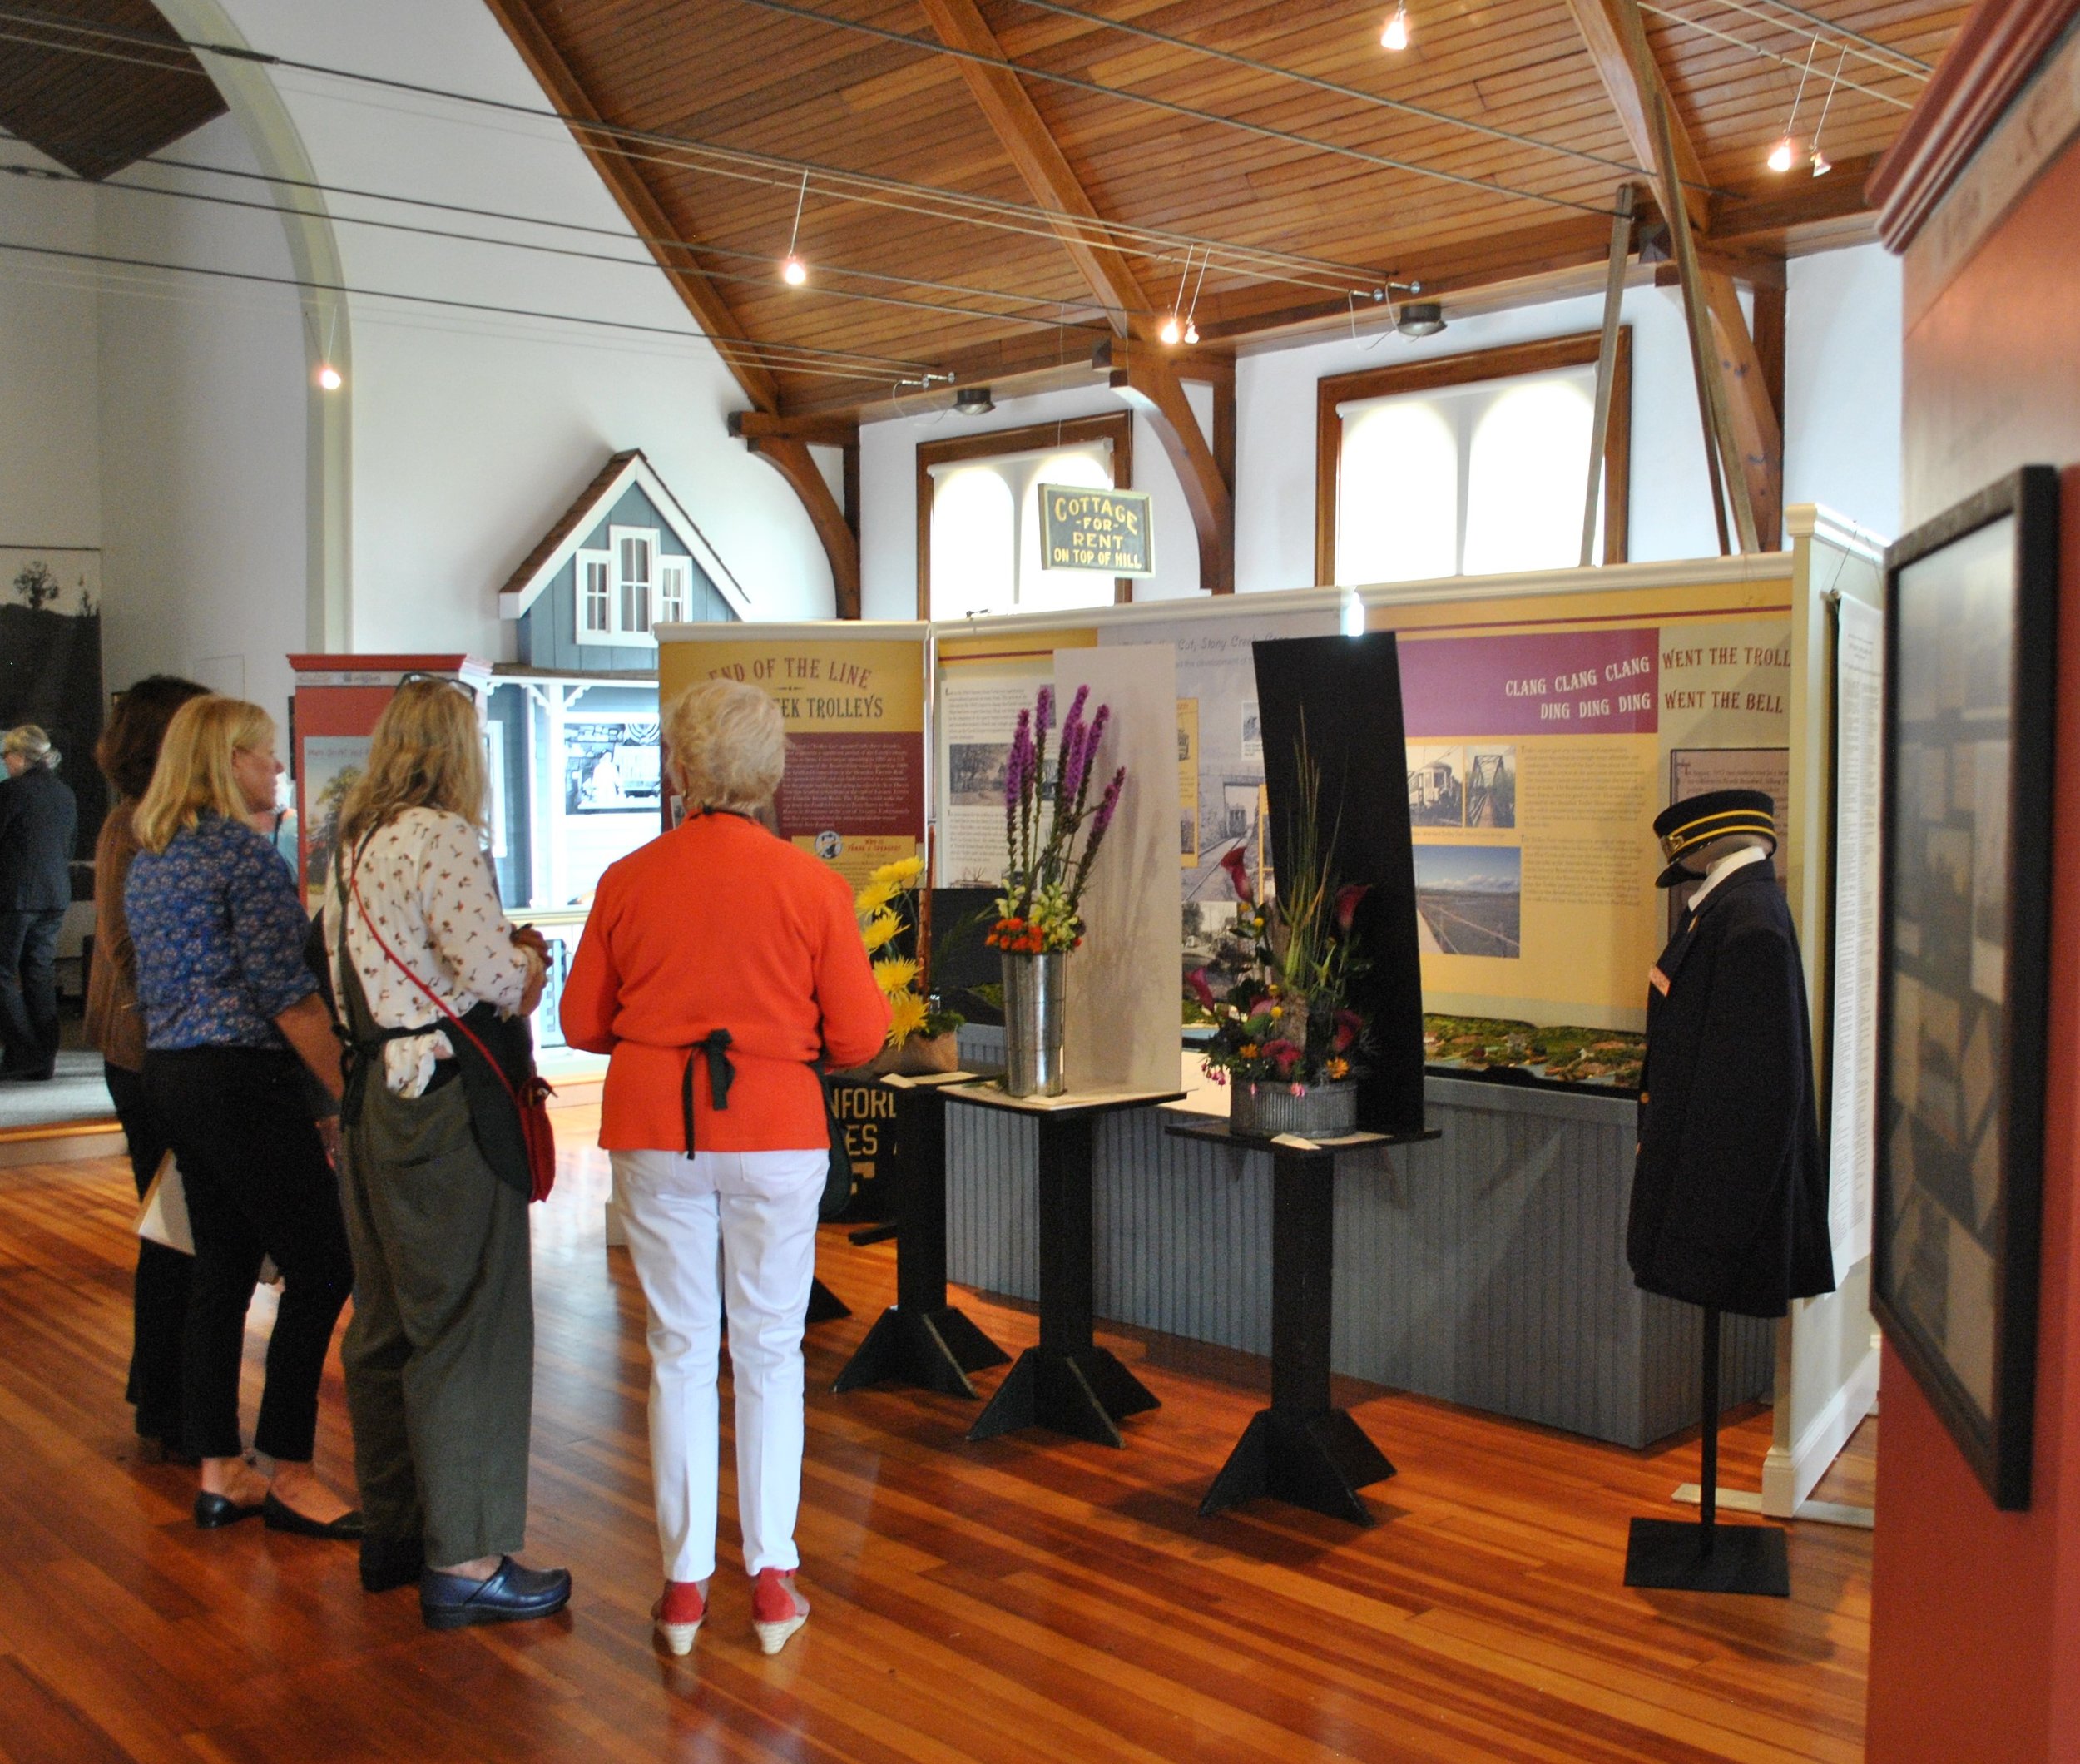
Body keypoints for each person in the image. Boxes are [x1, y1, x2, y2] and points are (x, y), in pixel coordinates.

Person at [561, 677, 888, 1658]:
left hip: (659, 1125)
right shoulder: (811, 885)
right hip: (779, 1130)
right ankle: (775, 1577)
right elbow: (863, 1033)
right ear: (773, 771)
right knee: (771, 1350)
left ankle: (684, 1586)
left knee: (678, 1348)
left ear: (680, 768)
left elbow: (580, 1022)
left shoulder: (629, 875)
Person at [323, 676, 571, 1629]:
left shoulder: (355, 842)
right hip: (440, 1105)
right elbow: (493, 979)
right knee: (469, 1321)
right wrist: (532, 961)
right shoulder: (445, 837)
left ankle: (395, 1528)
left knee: (386, 1320)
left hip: (373, 1097)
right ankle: (466, 1557)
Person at [125, 696, 360, 1535]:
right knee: (326, 1261)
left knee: (221, 1264)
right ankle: (288, 1467)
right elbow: (288, 996)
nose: (277, 769)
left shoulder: (152, 857)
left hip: (175, 1074)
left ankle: (221, 1466)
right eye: (265, 755)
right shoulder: (244, 857)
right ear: (229, 761)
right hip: (238, 1078)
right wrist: (347, 1094)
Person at [86, 676, 210, 1461]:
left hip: (159, 1049)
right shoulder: (131, 828)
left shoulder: (150, 823)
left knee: (182, 1229)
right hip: (153, 1054)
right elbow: (130, 951)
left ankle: (164, 1393)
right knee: (177, 1228)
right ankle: (168, 1397)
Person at [0, 725, 78, 1082]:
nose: (5, 763)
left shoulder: (11, 792)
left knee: (2, 973)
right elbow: (69, 844)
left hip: (15, 896)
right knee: (38, 972)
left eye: (6, 756)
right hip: (56, 894)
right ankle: (44, 1056)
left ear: (20, 756)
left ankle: (25, 1052)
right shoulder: (64, 793)